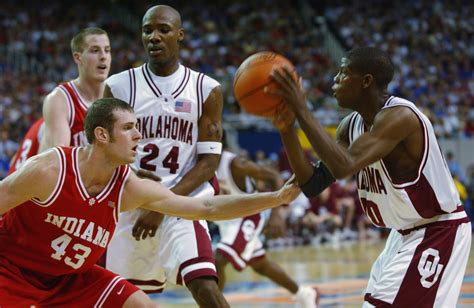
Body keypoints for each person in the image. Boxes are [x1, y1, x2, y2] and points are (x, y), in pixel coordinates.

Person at [0, 98, 300, 306]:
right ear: (102, 135)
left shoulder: (128, 187)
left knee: (141, 304)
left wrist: (277, 197)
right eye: (128, 128)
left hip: (69, 279)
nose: (139, 135)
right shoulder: (49, 171)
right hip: (12, 272)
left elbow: (204, 208)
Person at [269, 47, 471, 307]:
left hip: (438, 230)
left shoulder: (400, 117)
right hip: (402, 235)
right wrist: (287, 129)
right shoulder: (349, 125)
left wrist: (302, 110)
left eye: (344, 72)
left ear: (366, 81)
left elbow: (345, 165)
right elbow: (313, 183)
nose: (335, 79)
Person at [104, 5, 227, 306]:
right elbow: (102, 152)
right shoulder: (119, 86)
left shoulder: (206, 89)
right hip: (129, 205)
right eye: (147, 30)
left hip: (182, 203)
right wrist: (134, 182)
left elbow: (208, 162)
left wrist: (163, 205)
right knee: (125, 300)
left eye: (163, 30)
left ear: (180, 35)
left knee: (206, 287)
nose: (154, 37)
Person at [215, 147, 319, 308]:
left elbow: (274, 176)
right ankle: (303, 293)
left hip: (246, 216)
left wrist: (276, 214)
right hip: (227, 221)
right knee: (260, 264)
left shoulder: (236, 164)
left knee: (218, 260)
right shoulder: (200, 162)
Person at [39, 27, 111, 152]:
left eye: (107, 50)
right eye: (95, 50)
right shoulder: (60, 99)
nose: (103, 56)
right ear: (78, 58)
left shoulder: (118, 94)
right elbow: (60, 160)